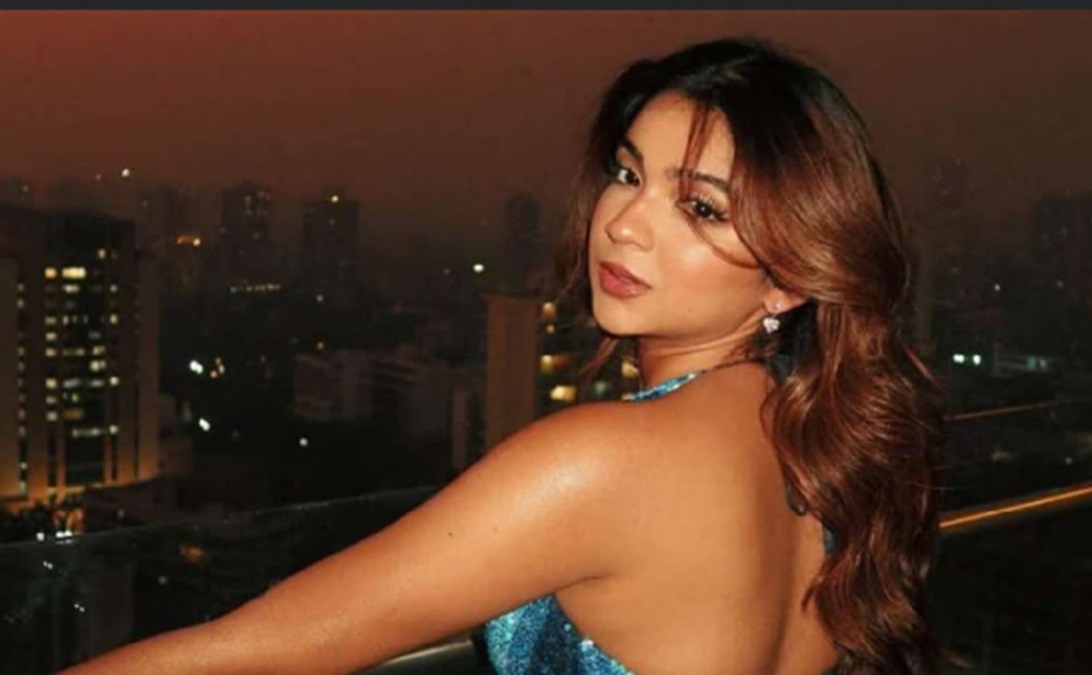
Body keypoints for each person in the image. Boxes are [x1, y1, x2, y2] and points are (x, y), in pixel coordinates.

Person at [64, 37, 944, 675]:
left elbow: (266, 649)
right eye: (628, 173)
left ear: (789, 279)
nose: (624, 222)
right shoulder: (821, 446)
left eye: (701, 208)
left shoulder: (612, 461)